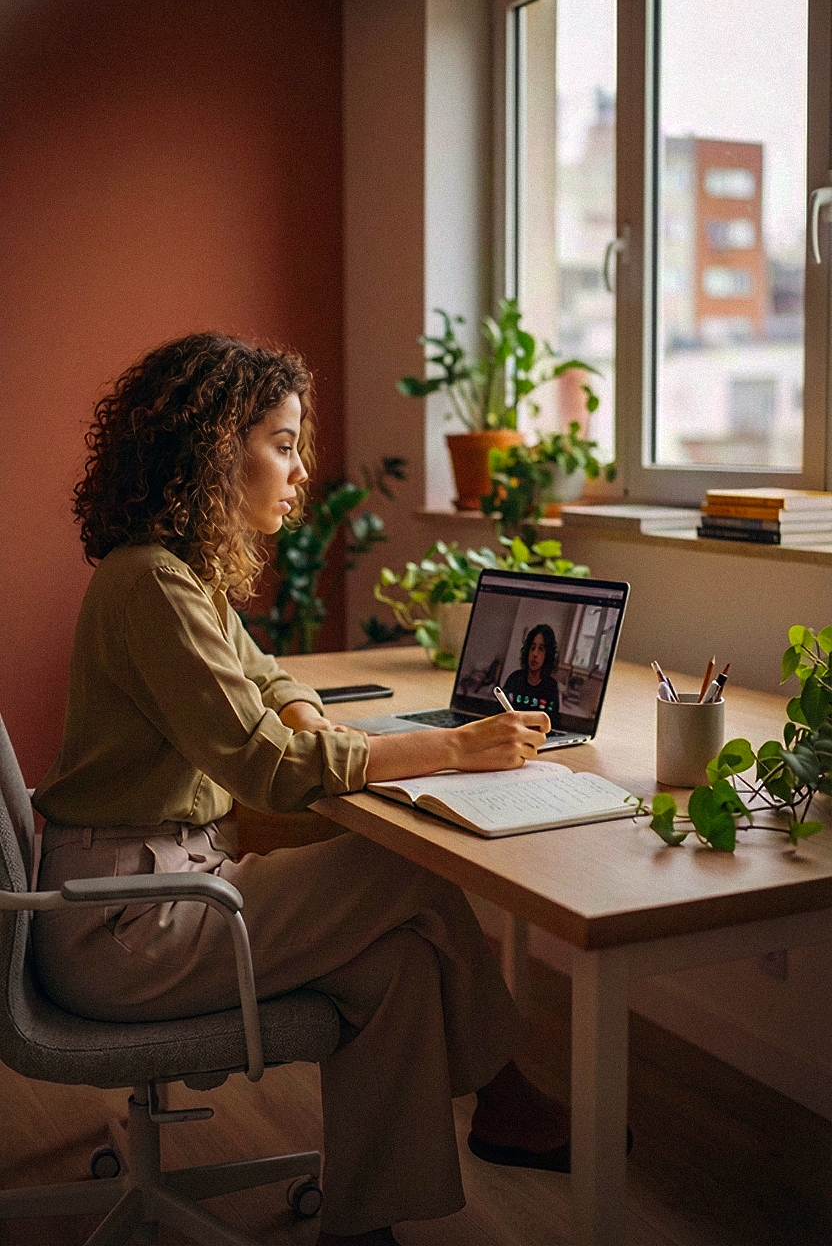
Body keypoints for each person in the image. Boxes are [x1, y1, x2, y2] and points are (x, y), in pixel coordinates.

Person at [32, 334, 571, 1246]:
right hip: (127, 923)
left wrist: (312, 714)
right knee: (410, 874)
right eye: (282, 443)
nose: (300, 469)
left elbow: (267, 674)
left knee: (397, 967)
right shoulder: (153, 586)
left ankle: (364, 1226)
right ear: (215, 449)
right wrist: (453, 751)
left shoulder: (176, 576)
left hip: (156, 892)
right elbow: (271, 774)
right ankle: (507, 1092)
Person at [502, 623, 562, 726]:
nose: (535, 654)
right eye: (532, 647)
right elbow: (500, 715)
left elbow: (553, 723)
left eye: (541, 649)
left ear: (548, 654)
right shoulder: (515, 678)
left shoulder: (551, 686)